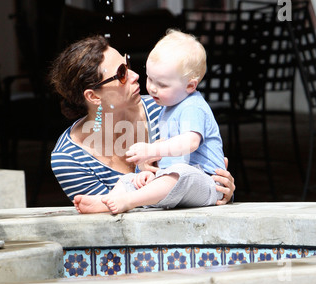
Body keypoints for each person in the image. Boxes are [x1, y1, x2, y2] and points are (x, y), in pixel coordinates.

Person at [50, 34, 235, 214]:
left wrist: (226, 191)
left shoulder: (163, 107)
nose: (135, 75)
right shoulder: (68, 158)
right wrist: (143, 175)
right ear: (93, 96)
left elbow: (197, 176)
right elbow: (107, 225)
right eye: (121, 74)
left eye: (127, 63)